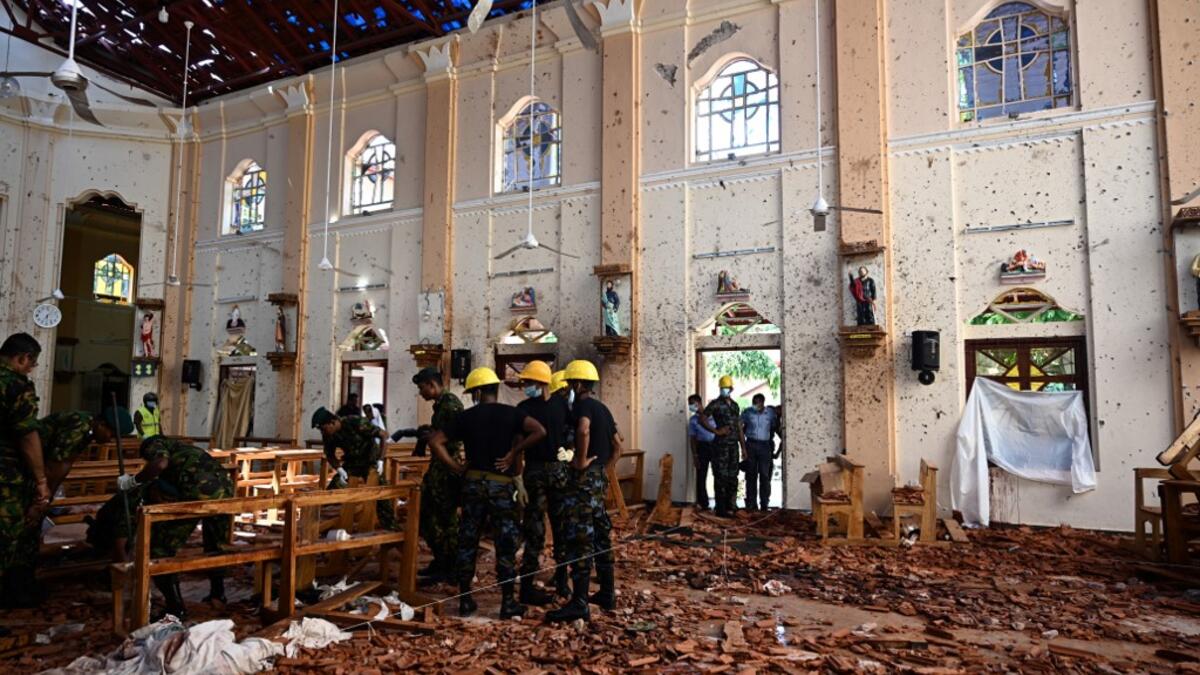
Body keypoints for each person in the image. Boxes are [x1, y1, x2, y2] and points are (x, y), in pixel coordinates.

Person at [427, 367, 546, 618]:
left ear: (478, 392)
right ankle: (507, 602)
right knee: (505, 541)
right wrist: (515, 452)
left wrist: (456, 467)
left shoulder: (466, 417)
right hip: (500, 486)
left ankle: (465, 599)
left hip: (472, 485)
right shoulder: (512, 414)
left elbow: (435, 441)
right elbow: (539, 431)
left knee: (467, 540)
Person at [112, 436, 235, 619]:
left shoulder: (155, 445)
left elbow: (160, 464)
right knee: (216, 545)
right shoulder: (187, 450)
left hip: (198, 495)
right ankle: (218, 594)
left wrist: (133, 480)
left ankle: (175, 608)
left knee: (158, 550)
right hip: (227, 495)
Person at [547, 360, 623, 623]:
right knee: (601, 534)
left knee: (580, 538)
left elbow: (583, 429)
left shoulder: (582, 405)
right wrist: (604, 470)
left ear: (577, 384)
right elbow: (618, 446)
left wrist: (580, 460)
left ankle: (579, 602)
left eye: (569, 383)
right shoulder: (604, 408)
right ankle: (607, 593)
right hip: (598, 479)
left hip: (582, 482)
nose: (568, 388)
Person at [514, 360, 570, 606]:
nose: (525, 386)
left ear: (540, 382)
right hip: (556, 472)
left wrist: (518, 478)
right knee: (557, 527)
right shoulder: (560, 405)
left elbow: (516, 442)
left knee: (537, 530)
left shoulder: (524, 408)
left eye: (527, 382)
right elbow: (571, 434)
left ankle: (534, 586)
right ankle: (561, 584)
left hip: (537, 472)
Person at [0, 333, 49, 612]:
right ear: (22, 358)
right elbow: (27, 435)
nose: (31, 369)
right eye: (31, 364)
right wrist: (41, 482)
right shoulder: (16, 386)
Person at [412, 366, 464, 584]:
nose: (421, 392)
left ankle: (450, 566)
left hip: (446, 470)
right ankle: (441, 559)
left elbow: (452, 438)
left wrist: (453, 466)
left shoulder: (450, 405)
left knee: (446, 520)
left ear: (432, 385)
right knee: (427, 516)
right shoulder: (440, 406)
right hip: (438, 469)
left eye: (422, 387)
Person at [312, 405, 394, 529]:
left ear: (333, 422)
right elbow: (329, 454)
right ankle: (321, 526)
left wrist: (381, 460)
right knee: (332, 492)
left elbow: (383, 435)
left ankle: (391, 527)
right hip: (352, 463)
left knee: (381, 494)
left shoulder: (356, 422)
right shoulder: (329, 434)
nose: (323, 432)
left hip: (370, 461)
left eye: (324, 429)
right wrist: (339, 469)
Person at [701, 375, 743, 518]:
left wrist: (743, 447)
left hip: (734, 447)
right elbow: (703, 418)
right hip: (721, 447)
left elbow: (739, 427)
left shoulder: (735, 406)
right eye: (722, 388)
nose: (724, 390)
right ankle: (721, 508)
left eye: (726, 388)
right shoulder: (715, 404)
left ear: (731, 389)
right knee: (720, 476)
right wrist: (716, 431)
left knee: (733, 476)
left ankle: (732, 506)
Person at [740, 394, 779, 511]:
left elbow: (774, 427)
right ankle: (751, 503)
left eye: (758, 402)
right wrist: (743, 448)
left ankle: (764, 503)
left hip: (764, 446)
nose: (755, 405)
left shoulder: (770, 414)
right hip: (750, 444)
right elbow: (740, 427)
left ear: (763, 403)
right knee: (750, 475)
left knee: (764, 475)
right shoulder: (747, 412)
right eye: (754, 402)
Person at [687, 394, 715, 511]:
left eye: (692, 404)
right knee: (701, 475)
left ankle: (721, 503)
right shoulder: (693, 420)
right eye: (690, 404)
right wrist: (695, 455)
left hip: (715, 446)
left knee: (718, 475)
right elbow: (692, 439)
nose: (691, 407)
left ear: (699, 403)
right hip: (702, 447)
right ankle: (703, 503)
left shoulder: (713, 416)